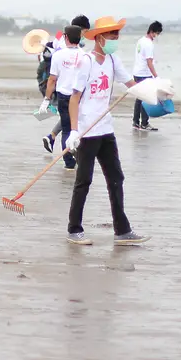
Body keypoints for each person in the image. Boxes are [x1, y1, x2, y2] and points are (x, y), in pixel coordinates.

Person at [64, 16, 149, 246]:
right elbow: (74, 98)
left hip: (105, 129)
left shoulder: (113, 60)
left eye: (117, 34)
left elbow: (132, 85)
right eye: (112, 34)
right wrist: (73, 131)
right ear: (100, 37)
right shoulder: (86, 62)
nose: (116, 38)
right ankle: (74, 229)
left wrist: (156, 91)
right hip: (87, 131)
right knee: (84, 180)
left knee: (116, 178)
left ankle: (122, 230)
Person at [42, 15, 91, 153]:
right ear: (80, 30)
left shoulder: (60, 37)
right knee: (71, 121)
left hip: (58, 87)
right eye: (85, 32)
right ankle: (69, 153)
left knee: (67, 119)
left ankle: (51, 136)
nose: (85, 35)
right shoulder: (81, 52)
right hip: (71, 90)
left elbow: (48, 47)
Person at [132, 20, 162, 131]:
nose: (157, 35)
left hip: (137, 72)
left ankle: (136, 122)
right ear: (152, 31)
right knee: (146, 98)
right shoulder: (149, 44)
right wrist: (156, 76)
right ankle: (144, 123)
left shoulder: (141, 40)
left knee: (139, 98)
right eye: (157, 33)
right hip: (144, 74)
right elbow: (149, 62)